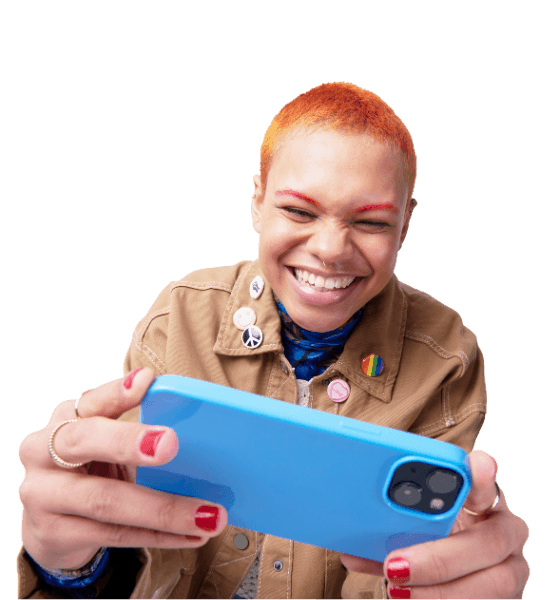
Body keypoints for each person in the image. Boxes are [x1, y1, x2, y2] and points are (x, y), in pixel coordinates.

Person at [17, 81, 530, 599]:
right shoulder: (181, 315)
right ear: (258, 202)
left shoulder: (446, 357)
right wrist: (73, 569)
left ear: (405, 226)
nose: (330, 250)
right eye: (300, 212)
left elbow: (395, 565)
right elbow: (136, 536)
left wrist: (439, 579)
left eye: (372, 221)